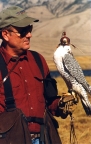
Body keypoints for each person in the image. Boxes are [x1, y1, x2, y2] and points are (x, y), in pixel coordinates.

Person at [0, 6, 76, 144]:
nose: (29, 35)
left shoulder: (38, 60)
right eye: (23, 31)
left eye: (30, 29)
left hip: (44, 136)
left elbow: (49, 100)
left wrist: (60, 105)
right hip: (11, 139)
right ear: (5, 35)